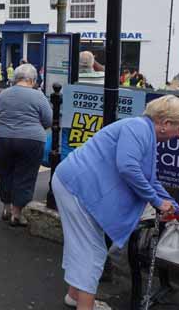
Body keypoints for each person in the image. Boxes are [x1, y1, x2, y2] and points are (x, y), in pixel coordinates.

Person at [53, 95, 179, 310]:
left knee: (83, 247)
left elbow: (149, 178)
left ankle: (75, 297)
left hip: (74, 184)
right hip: (76, 187)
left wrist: (172, 205)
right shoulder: (139, 128)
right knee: (91, 251)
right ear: (166, 124)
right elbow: (128, 167)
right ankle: (85, 306)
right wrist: (158, 201)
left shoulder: (143, 130)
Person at [0, 63, 52, 226]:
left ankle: (6, 207)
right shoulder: (39, 96)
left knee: (5, 172)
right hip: (31, 140)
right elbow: (48, 120)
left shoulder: (4, 94)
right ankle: (17, 213)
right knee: (25, 175)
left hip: (4, 138)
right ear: (32, 80)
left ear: (15, 78)